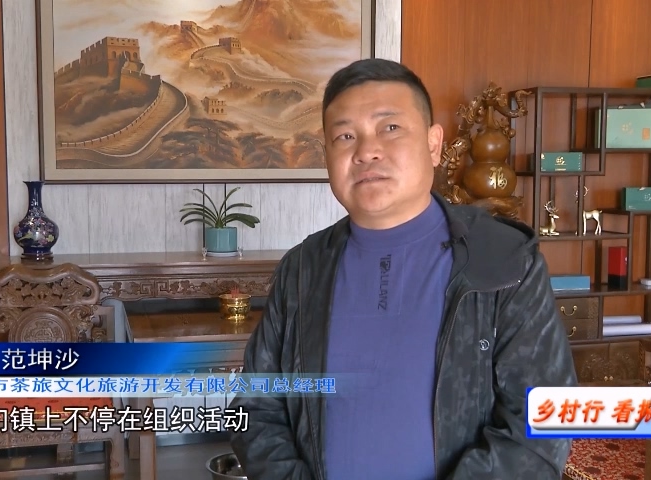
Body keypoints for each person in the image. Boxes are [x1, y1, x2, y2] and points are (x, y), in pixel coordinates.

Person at [229, 58, 577, 480]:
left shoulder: (504, 260)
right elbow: (255, 407)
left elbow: (541, 425)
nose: (366, 151)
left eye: (390, 127)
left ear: (433, 144)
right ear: (327, 155)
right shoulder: (302, 269)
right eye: (345, 136)